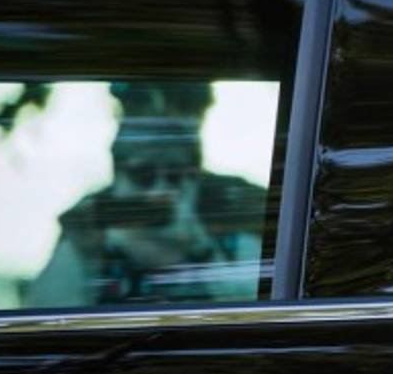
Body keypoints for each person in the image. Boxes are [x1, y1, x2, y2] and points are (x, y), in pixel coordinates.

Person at [28, 87, 266, 308]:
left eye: (175, 177)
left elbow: (268, 304)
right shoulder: (95, 216)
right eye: (143, 176)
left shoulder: (241, 203)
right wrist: (85, 252)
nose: (159, 190)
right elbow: (46, 315)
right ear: (118, 174)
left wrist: (200, 248)